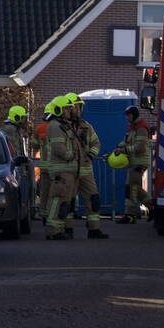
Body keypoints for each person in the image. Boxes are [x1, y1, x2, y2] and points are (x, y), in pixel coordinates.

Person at [64, 93, 109, 239]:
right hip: (69, 170)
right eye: (76, 106)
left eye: (79, 106)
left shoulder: (86, 126)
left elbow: (96, 143)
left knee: (93, 198)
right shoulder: (62, 127)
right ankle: (67, 229)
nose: (79, 109)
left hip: (85, 170)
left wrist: (90, 155)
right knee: (68, 201)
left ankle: (94, 229)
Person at [44, 96, 80, 240]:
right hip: (62, 169)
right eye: (66, 108)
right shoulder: (55, 126)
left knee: (63, 201)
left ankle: (58, 228)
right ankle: (53, 230)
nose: (69, 111)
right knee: (57, 199)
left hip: (68, 170)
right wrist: (71, 155)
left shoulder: (62, 125)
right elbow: (59, 148)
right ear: (58, 109)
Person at [114, 105, 151, 224]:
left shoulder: (141, 128)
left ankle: (130, 216)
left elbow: (140, 147)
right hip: (134, 162)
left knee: (131, 189)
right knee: (135, 189)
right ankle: (153, 208)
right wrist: (118, 147)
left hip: (139, 163)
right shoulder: (133, 128)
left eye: (128, 115)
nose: (127, 118)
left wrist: (124, 150)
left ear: (134, 115)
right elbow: (125, 142)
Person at [32, 104, 53, 222]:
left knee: (44, 191)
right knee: (56, 193)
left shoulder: (39, 128)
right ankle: (54, 215)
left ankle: (43, 213)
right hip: (58, 165)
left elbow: (34, 145)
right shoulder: (60, 128)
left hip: (44, 166)